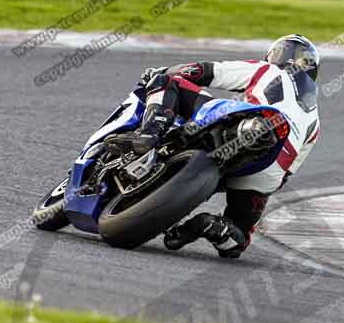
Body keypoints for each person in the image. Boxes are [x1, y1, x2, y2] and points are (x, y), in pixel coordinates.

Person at [105, 34, 321, 258]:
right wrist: (260, 189)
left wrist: (164, 71)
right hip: (265, 169)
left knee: (166, 82)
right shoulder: (315, 123)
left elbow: (205, 71)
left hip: (244, 124)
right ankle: (209, 225)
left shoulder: (269, 71)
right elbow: (286, 175)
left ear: (276, 56)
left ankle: (148, 134)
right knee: (238, 240)